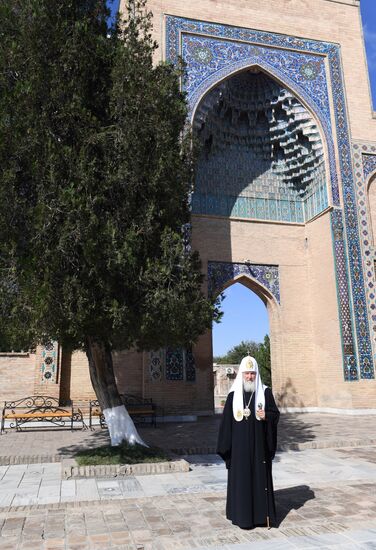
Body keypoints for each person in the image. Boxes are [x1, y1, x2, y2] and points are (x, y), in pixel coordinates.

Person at [217, 355, 280, 529]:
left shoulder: (265, 392)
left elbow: (275, 415)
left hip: (259, 449)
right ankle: (241, 516)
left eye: (252, 373)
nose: (250, 377)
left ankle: (260, 517)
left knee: (259, 479)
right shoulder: (232, 396)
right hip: (239, 451)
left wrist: (266, 415)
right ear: (241, 374)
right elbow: (226, 425)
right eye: (247, 374)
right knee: (242, 481)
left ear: (256, 374)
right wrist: (226, 448)